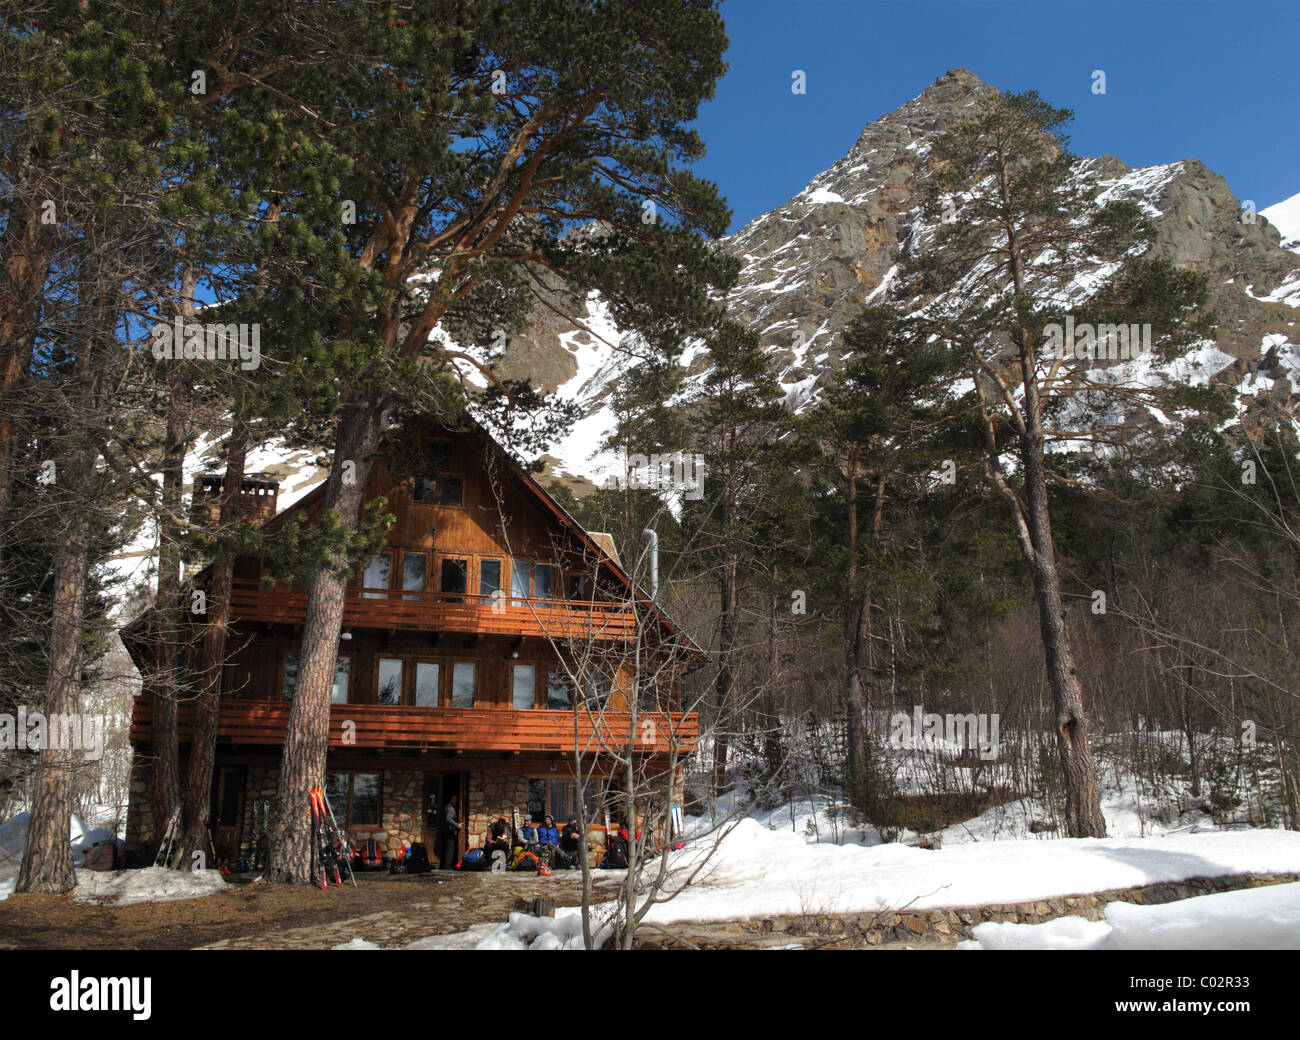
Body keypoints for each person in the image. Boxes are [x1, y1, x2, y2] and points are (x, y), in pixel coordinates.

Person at [439, 793, 460, 870]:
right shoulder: (451, 808)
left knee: (449, 848)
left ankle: (447, 865)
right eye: (454, 799)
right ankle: (447, 866)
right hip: (449, 831)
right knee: (450, 849)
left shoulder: (447, 807)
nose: (456, 801)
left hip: (447, 831)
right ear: (452, 799)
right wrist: (457, 825)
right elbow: (448, 818)